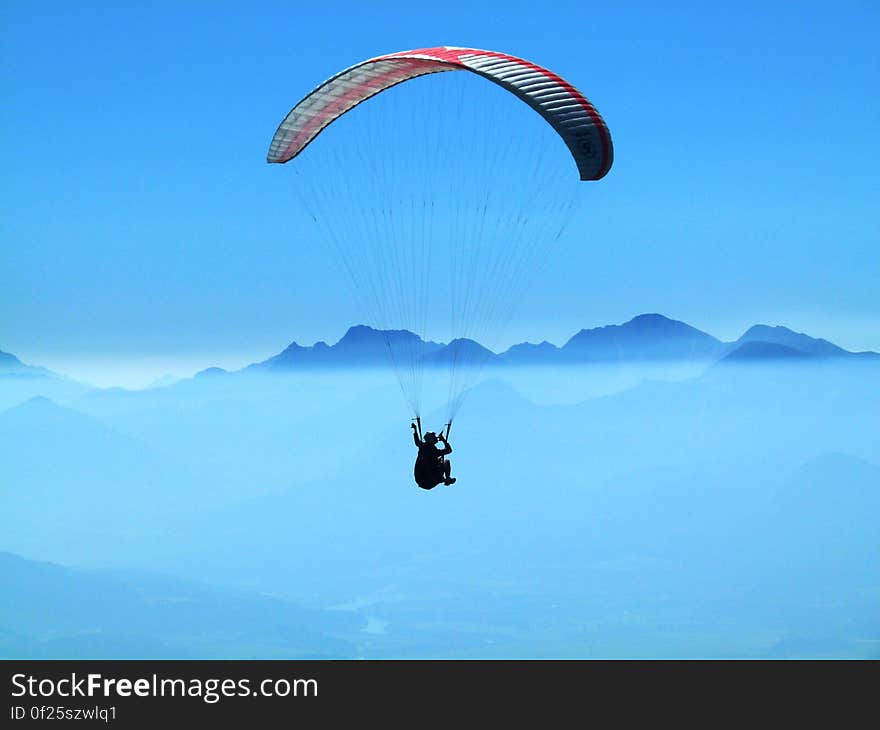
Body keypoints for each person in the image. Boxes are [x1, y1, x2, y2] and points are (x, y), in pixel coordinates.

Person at [411, 423, 455, 489]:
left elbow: (449, 450)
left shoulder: (428, 448)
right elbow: (449, 450)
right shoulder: (426, 448)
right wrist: (443, 440)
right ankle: (446, 480)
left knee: (444, 461)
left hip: (428, 481)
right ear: (430, 439)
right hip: (425, 478)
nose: (436, 438)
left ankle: (447, 479)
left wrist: (415, 429)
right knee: (444, 461)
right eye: (434, 437)